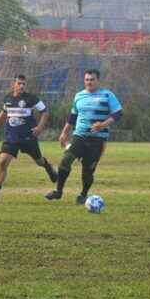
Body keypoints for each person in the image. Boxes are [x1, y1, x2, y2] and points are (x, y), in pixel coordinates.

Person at [45, 69, 123, 204]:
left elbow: (118, 113)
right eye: (87, 79)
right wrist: (64, 132)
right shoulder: (79, 96)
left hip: (98, 139)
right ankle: (58, 191)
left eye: (92, 79)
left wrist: (103, 124)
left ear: (98, 80)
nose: (89, 82)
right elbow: (73, 116)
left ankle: (83, 195)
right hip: (79, 136)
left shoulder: (107, 95)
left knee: (88, 170)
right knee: (65, 160)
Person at [0, 74, 57, 201]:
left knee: (39, 161)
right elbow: (3, 112)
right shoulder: (7, 98)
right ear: (14, 84)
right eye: (19, 83)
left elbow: (45, 112)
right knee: (2, 162)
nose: (21, 86)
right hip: (11, 138)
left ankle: (47, 166)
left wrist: (39, 128)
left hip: (28, 137)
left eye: (23, 84)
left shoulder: (31, 98)